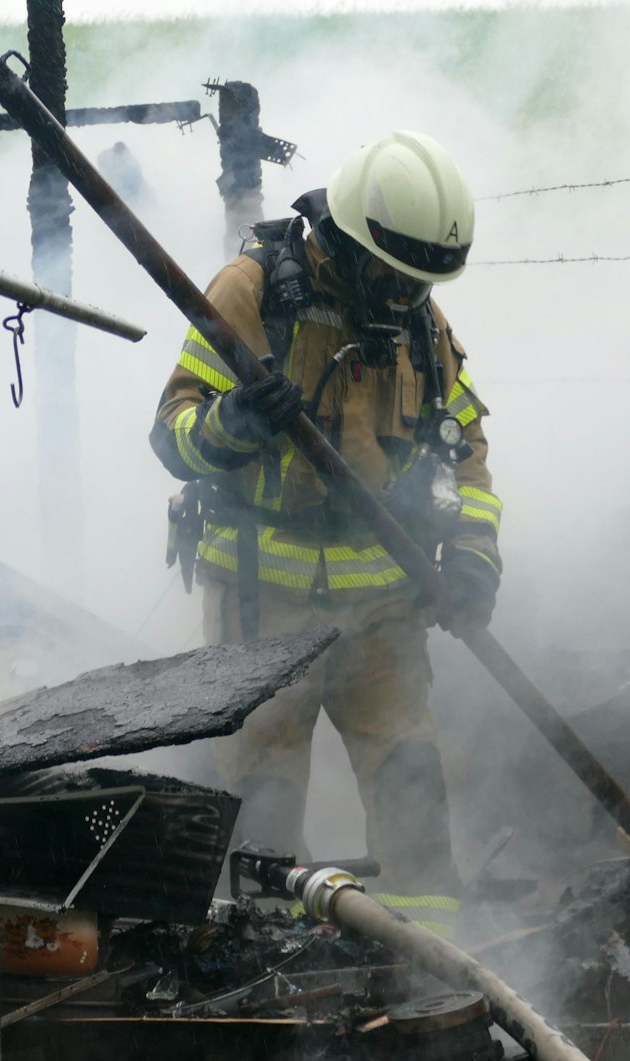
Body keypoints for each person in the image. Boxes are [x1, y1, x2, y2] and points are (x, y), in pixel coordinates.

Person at [151, 131, 498, 937]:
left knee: (413, 788)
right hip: (260, 607)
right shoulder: (251, 294)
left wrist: (474, 557)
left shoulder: (421, 325)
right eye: (393, 275)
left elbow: (468, 456)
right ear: (348, 238)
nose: (406, 296)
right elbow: (172, 435)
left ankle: (428, 963)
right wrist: (235, 422)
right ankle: (273, 964)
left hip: (382, 613)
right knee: (264, 808)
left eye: (420, 282)